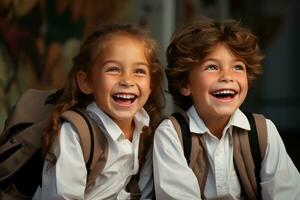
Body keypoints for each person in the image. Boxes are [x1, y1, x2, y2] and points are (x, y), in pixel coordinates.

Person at [153, 17, 300, 200]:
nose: (227, 76)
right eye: (212, 67)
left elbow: (287, 194)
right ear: (185, 84)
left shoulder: (264, 131)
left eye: (237, 67)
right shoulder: (171, 134)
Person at [33, 24, 165, 200]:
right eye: (113, 69)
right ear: (86, 82)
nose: (127, 80)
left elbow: (144, 194)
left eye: (139, 71)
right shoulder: (76, 134)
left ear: (151, 85)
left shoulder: (147, 131)